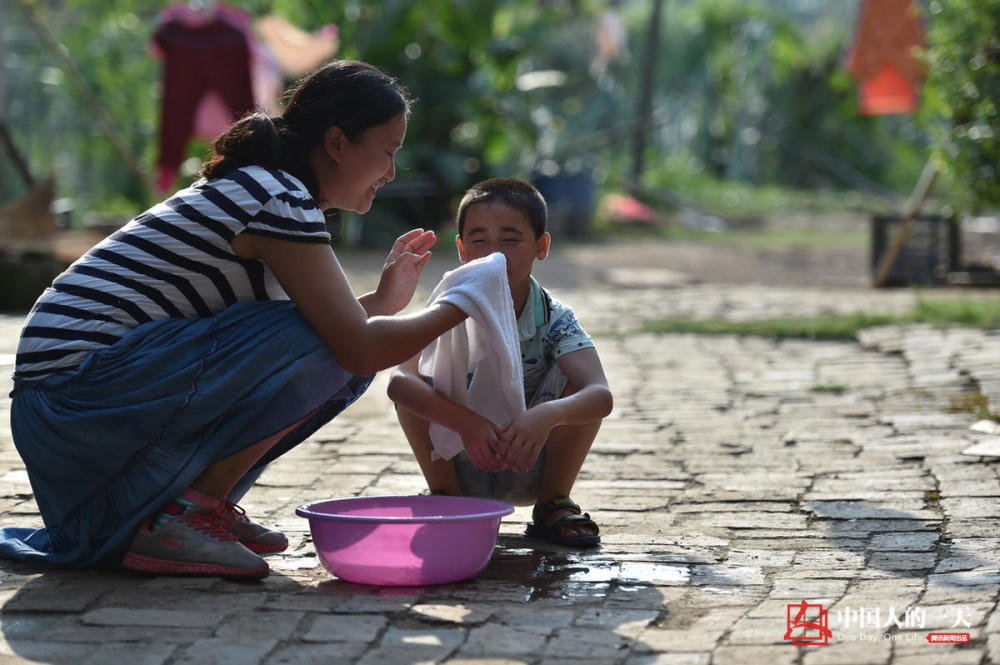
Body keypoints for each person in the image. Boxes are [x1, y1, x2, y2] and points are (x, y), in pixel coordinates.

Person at [1, 60, 467, 579]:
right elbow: (350, 347)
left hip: (67, 404)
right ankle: (187, 514)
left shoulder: (268, 191)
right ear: (337, 143)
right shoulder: (278, 198)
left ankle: (191, 506)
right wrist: (464, 304)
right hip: (75, 398)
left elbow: (312, 339)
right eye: (388, 151)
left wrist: (380, 302)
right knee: (343, 353)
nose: (391, 172)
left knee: (335, 350)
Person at [387, 178, 613, 547]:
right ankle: (447, 499)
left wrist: (546, 416)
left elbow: (600, 394)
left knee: (577, 389)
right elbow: (399, 383)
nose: (494, 255)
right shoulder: (446, 309)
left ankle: (553, 504)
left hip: (529, 461)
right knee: (419, 385)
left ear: (542, 246)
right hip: (460, 459)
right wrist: (465, 422)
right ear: (461, 250)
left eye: (510, 240)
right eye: (479, 241)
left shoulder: (554, 318)